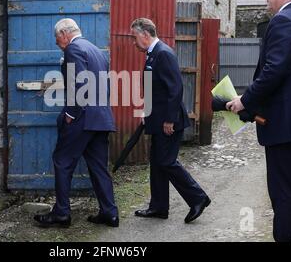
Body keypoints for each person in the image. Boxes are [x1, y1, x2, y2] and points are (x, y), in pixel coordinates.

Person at [227, 0, 291, 242]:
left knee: (284, 195)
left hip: (285, 127)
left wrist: (244, 100)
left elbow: (273, 71)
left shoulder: (283, 20)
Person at [34, 18, 119, 228]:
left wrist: (71, 112)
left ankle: (62, 213)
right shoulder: (95, 49)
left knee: (62, 161)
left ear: (64, 33)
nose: (56, 43)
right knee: (99, 167)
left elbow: (79, 82)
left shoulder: (73, 49)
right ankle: (110, 213)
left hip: (82, 117)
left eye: (57, 38)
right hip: (100, 118)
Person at [130, 18, 211, 223]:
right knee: (157, 163)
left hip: (169, 121)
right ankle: (158, 207)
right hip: (156, 119)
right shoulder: (152, 55)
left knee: (166, 161)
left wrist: (168, 120)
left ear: (145, 35)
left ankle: (198, 198)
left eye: (134, 37)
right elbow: (153, 90)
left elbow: (175, 90)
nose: (133, 42)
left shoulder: (163, 54)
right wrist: (146, 113)